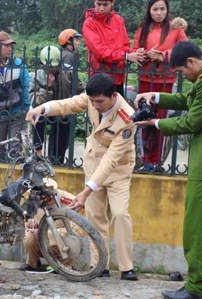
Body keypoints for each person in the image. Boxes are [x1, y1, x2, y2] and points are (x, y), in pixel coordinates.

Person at [133, 41, 202, 299]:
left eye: (182, 72)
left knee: (197, 229)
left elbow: (192, 121)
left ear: (192, 62)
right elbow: (189, 99)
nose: (183, 76)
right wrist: (156, 97)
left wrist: (156, 122)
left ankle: (196, 289)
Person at [26, 73, 138, 281]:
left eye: (100, 102)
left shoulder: (128, 118)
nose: (94, 106)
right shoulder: (92, 99)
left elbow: (111, 160)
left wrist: (86, 191)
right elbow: (67, 104)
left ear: (114, 96)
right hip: (93, 166)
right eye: (92, 101)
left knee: (120, 215)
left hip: (118, 172)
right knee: (95, 219)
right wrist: (41, 109)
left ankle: (126, 268)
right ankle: (100, 266)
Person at [132, 0, 187, 168]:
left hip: (166, 80)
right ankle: (144, 159)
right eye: (155, 9)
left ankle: (156, 161)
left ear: (167, 10)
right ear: (149, 10)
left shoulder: (176, 29)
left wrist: (163, 55)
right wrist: (146, 54)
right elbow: (134, 52)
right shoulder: (142, 30)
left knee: (160, 120)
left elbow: (184, 49)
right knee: (143, 120)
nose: (158, 13)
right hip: (145, 79)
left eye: (162, 9)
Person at [30, 45, 84, 164]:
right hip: (44, 112)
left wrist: (74, 104)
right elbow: (35, 102)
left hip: (63, 113)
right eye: (49, 67)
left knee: (59, 148)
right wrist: (47, 87)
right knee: (37, 119)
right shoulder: (37, 76)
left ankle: (55, 161)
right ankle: (37, 152)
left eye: (54, 66)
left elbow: (81, 91)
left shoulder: (69, 72)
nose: (52, 70)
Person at [0, 31, 30, 161]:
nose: (10, 49)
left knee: (16, 152)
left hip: (17, 113)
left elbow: (25, 86)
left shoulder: (19, 64)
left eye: (11, 46)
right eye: (6, 45)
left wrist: (25, 108)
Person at [82, 0, 145, 96]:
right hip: (99, 76)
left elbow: (124, 46)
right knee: (100, 108)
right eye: (98, 4)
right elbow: (100, 52)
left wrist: (137, 53)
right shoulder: (89, 23)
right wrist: (127, 56)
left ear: (112, 3)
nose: (102, 8)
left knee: (118, 109)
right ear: (94, 2)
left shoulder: (118, 20)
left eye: (105, 4)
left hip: (118, 76)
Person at [20, 178, 75, 273]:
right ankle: (32, 263)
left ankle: (64, 265)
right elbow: (26, 219)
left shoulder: (70, 201)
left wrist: (44, 233)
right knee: (29, 236)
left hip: (60, 244)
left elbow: (74, 230)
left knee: (71, 241)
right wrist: (29, 224)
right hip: (41, 242)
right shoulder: (32, 200)